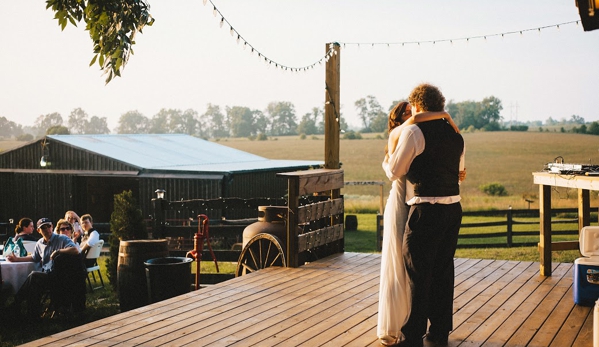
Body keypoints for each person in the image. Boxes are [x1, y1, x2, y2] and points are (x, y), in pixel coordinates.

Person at [385, 83, 465, 347]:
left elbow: (395, 171)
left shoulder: (414, 132)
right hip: (453, 208)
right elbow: (460, 173)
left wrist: (387, 159)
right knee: (443, 270)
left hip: (426, 210)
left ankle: (412, 335)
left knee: (418, 273)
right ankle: (440, 331)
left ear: (418, 106)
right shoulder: (456, 135)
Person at [6, 218, 80, 318]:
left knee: (34, 276)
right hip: (47, 275)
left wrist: (59, 251)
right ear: (39, 231)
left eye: (48, 226)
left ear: (52, 226)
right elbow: (34, 258)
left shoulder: (61, 238)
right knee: (34, 282)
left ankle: (17, 304)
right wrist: (16, 259)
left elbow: (75, 250)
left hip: (60, 276)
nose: (47, 229)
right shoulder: (40, 243)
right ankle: (32, 314)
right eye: (43, 228)